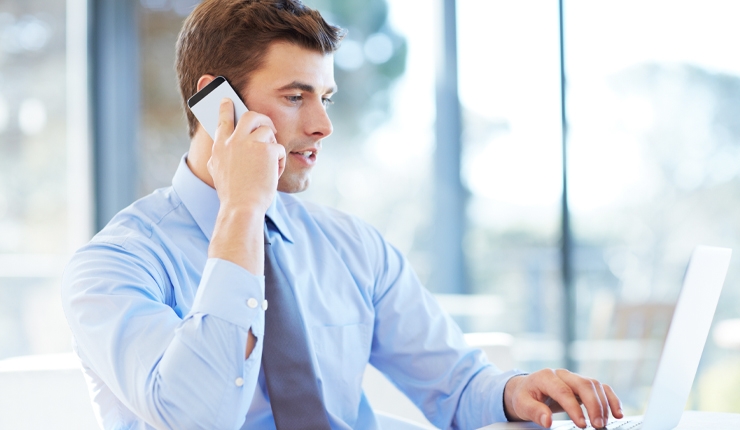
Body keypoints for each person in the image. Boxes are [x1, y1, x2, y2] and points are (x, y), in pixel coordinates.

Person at [61, 0, 623, 429]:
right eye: (294, 96)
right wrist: (242, 212)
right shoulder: (116, 265)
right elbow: (195, 415)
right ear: (217, 105)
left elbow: (457, 386)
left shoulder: (354, 246)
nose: (322, 126)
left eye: (324, 98)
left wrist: (515, 390)